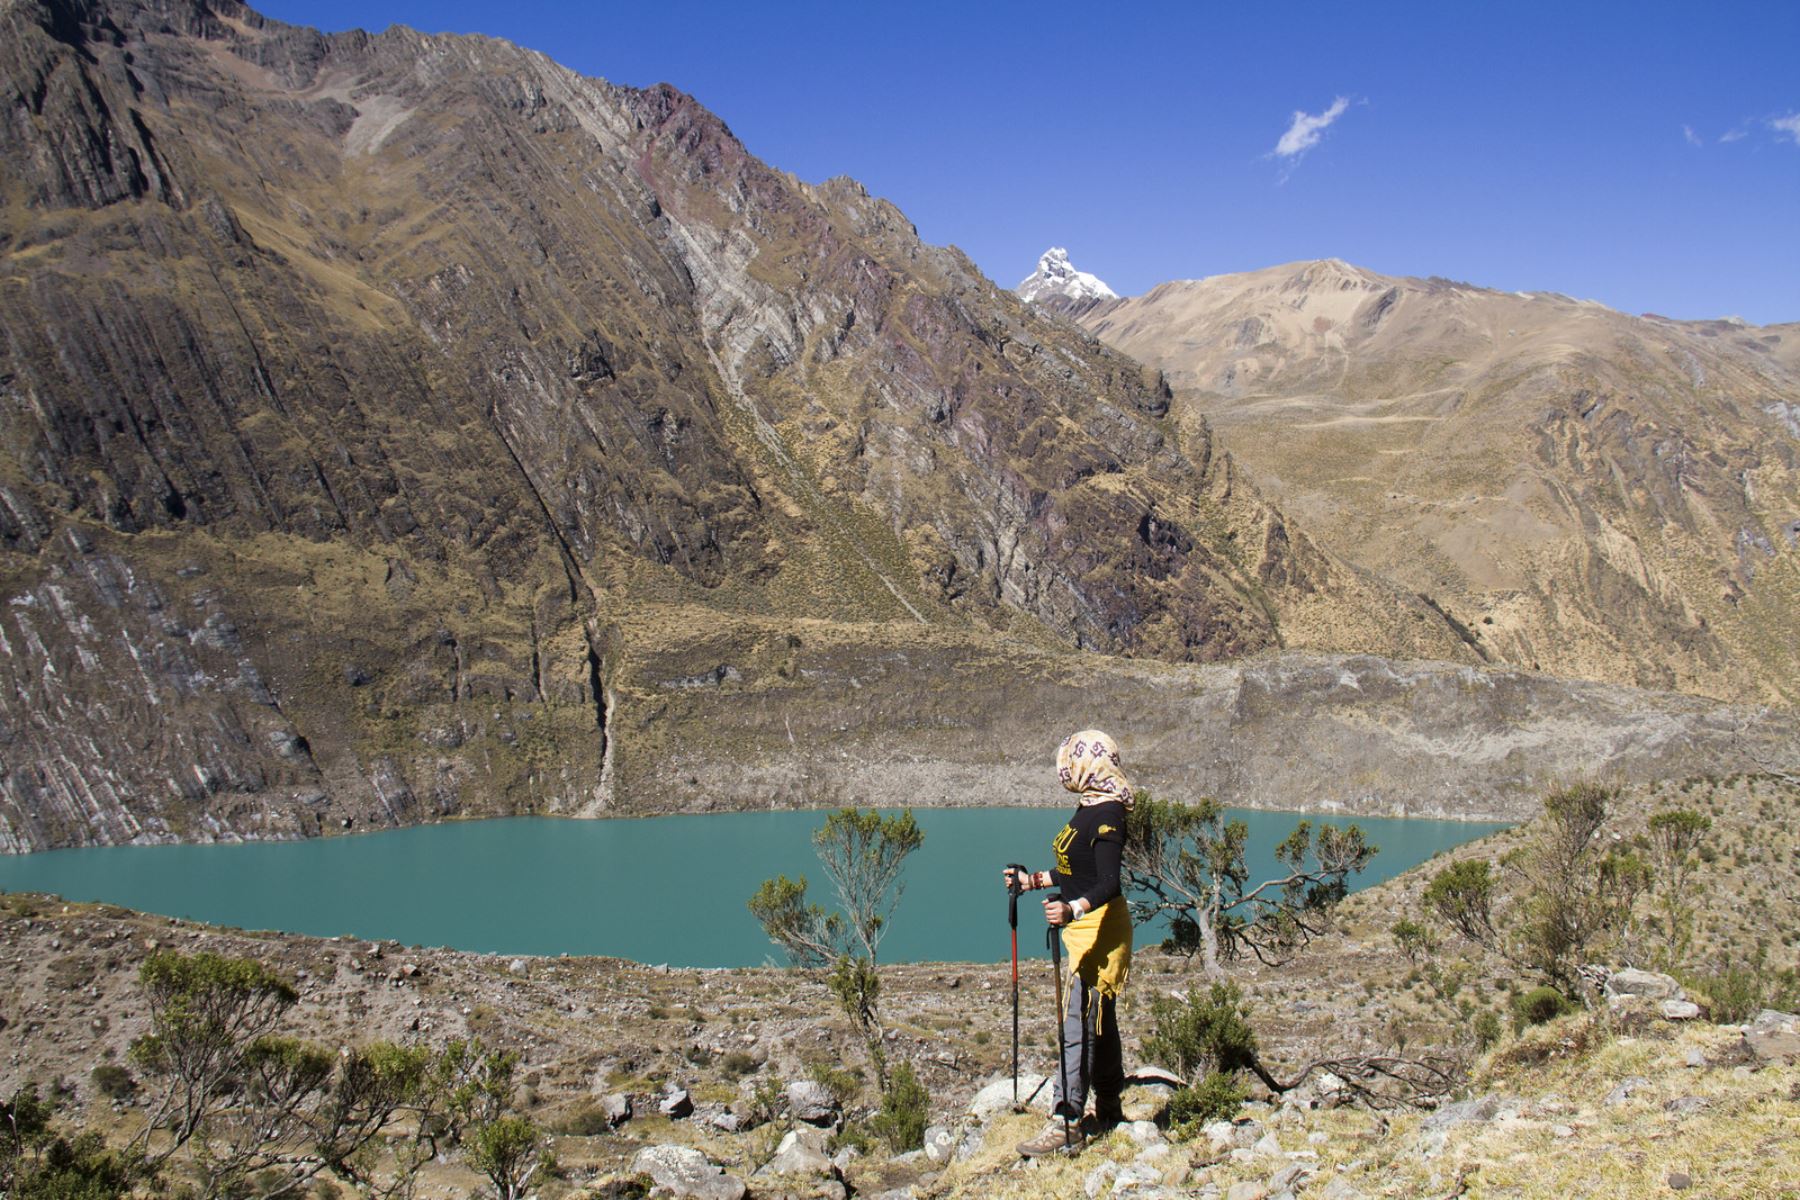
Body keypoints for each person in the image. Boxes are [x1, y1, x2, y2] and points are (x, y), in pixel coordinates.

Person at [1002, 729, 1134, 1157]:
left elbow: (1109, 882)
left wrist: (1072, 909)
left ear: (1090, 764)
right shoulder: (1089, 806)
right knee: (1099, 1020)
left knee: (1077, 1021)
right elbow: (1076, 869)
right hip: (1086, 926)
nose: (1065, 769)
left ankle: (1067, 1119)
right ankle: (1109, 1106)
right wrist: (1032, 881)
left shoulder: (1109, 812)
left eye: (1072, 761)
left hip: (1100, 931)